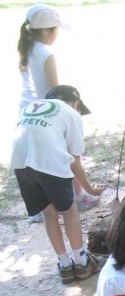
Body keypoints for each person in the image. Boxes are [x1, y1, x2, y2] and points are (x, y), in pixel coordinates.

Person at [10, 84, 106, 284]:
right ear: (75, 102)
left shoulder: (30, 107)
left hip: (20, 163)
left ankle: (64, 265)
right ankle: (81, 263)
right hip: (48, 160)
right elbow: (75, 162)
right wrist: (90, 189)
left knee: (49, 213)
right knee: (69, 210)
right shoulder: (71, 113)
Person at [17, 4, 99, 220]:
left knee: (33, 159)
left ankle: (41, 206)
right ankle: (78, 195)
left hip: (27, 111)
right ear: (46, 30)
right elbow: (55, 92)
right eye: (55, 30)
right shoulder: (47, 54)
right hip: (47, 111)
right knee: (68, 154)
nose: (57, 34)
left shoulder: (27, 48)